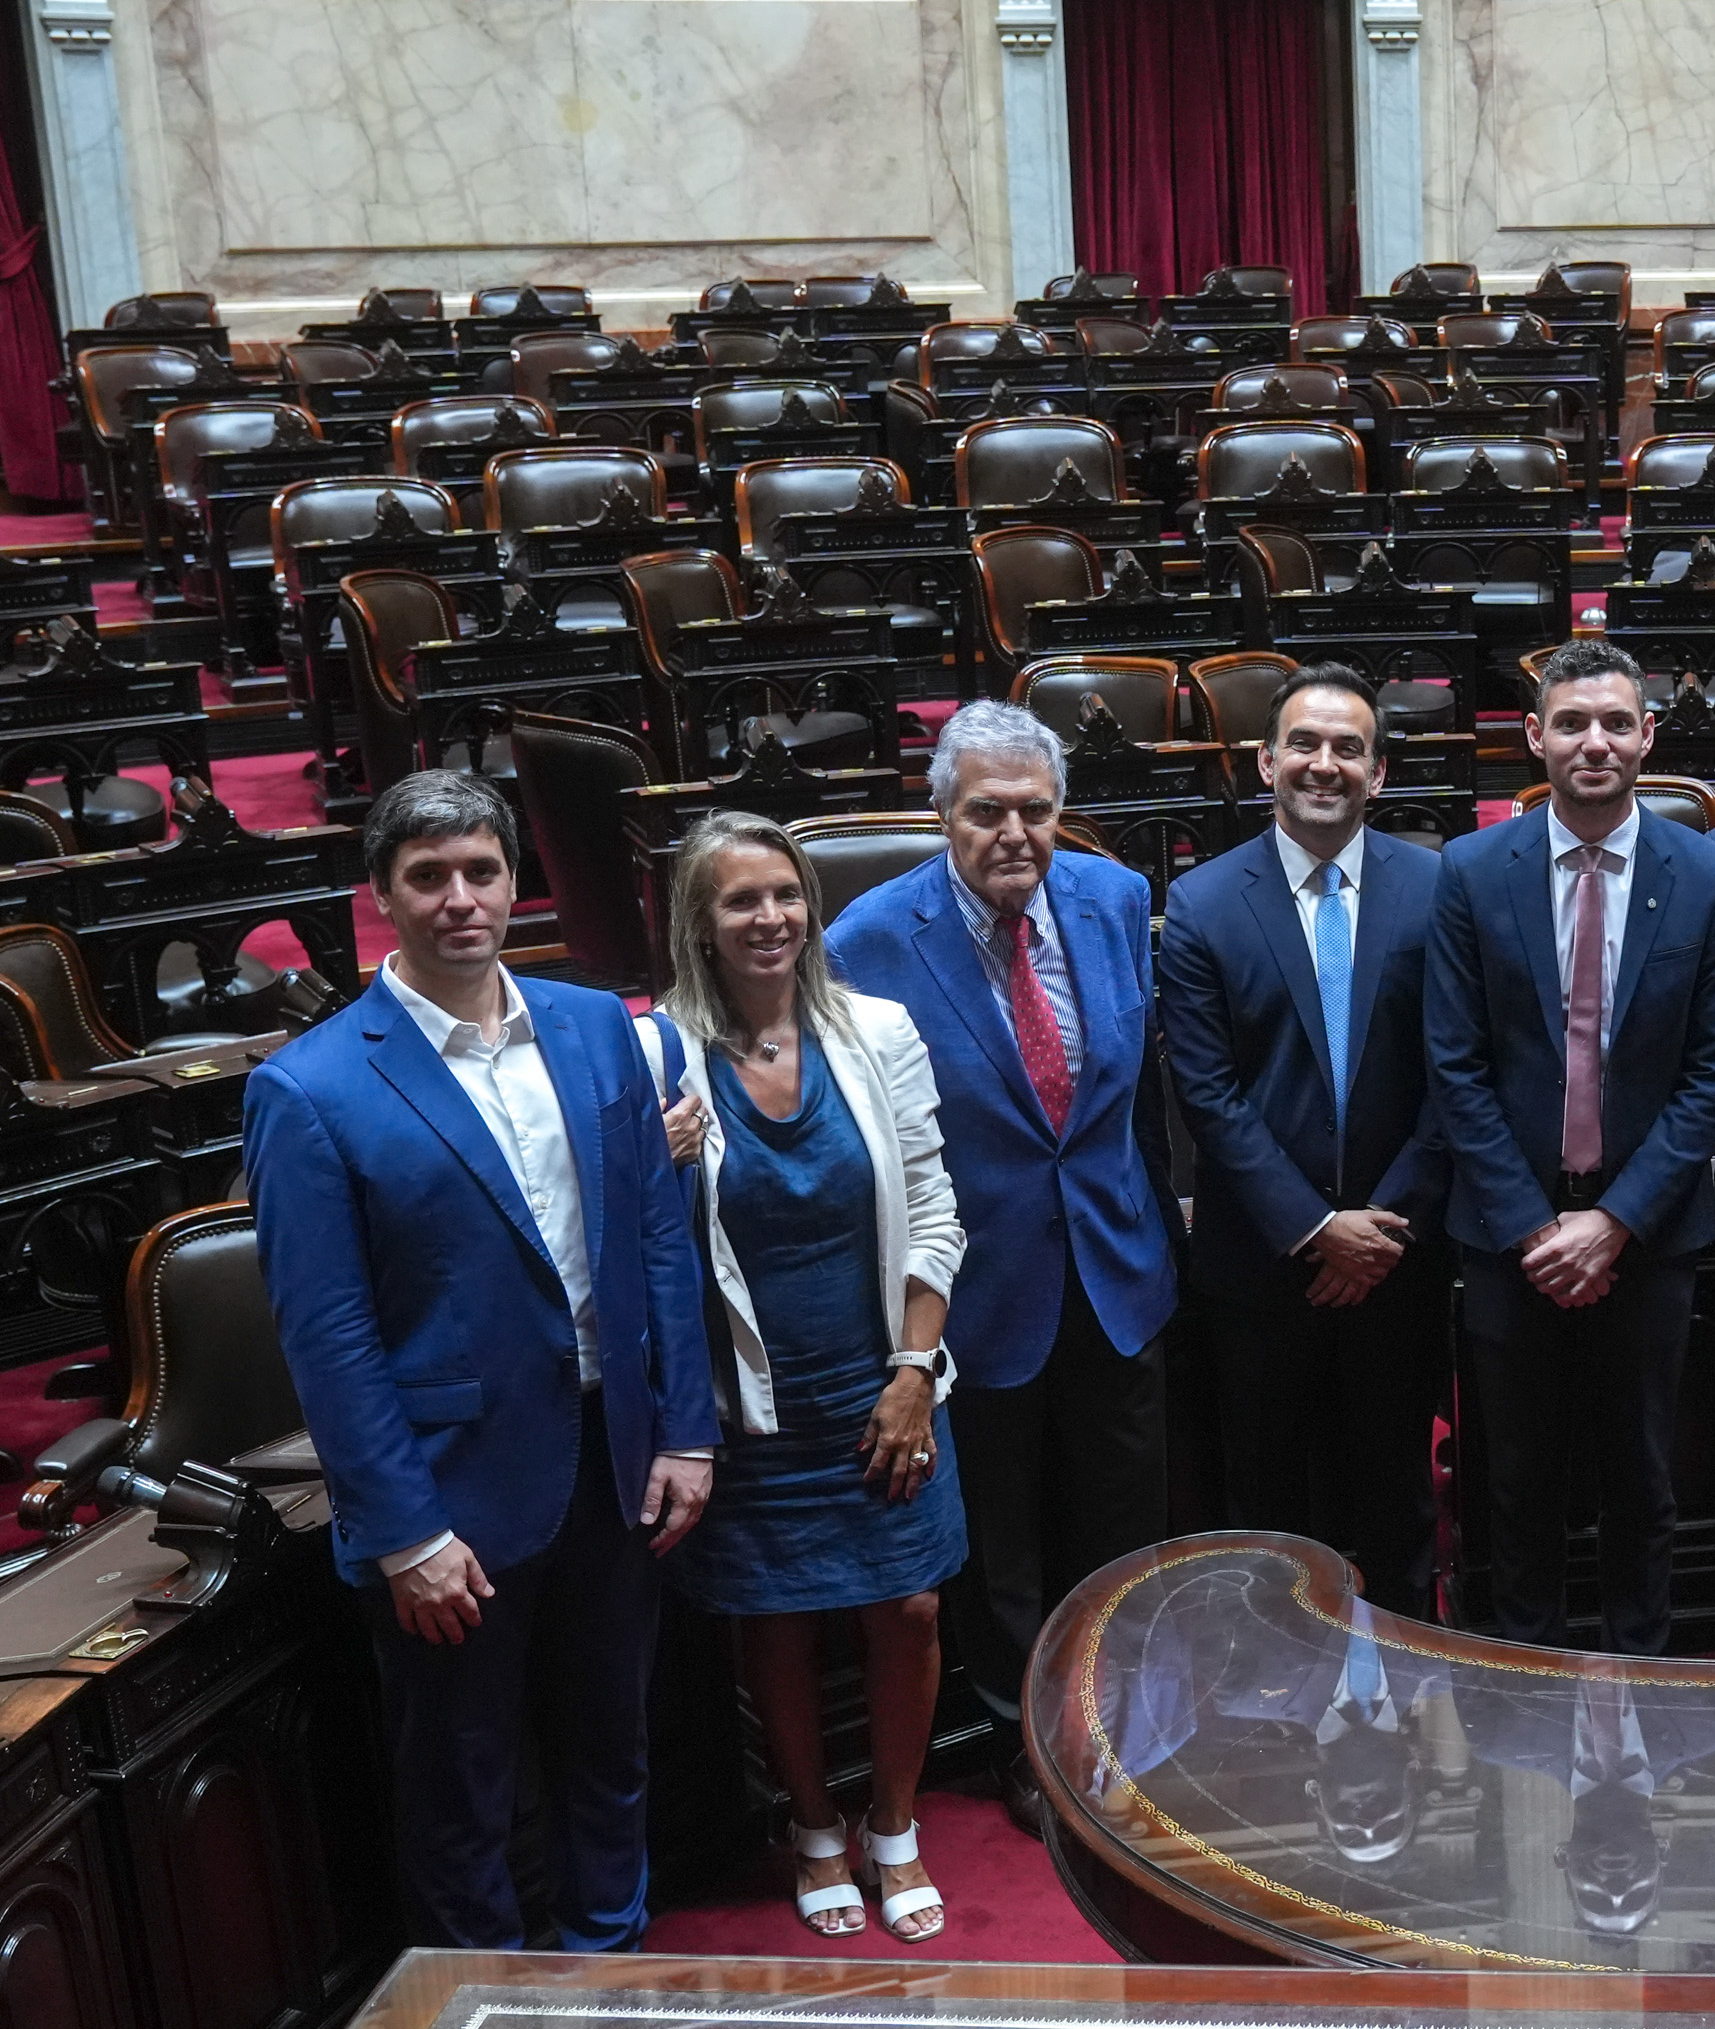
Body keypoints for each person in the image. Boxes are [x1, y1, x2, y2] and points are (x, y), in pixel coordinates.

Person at [243, 770, 714, 1950]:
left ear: (516, 877)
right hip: (451, 1496)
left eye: (483, 870)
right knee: (463, 1790)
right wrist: (403, 1531)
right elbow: (329, 1335)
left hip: (615, 1463)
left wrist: (686, 1427)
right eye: (429, 877)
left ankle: (609, 1972)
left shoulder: (600, 1024)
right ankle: (484, 2023)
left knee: (613, 1749)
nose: (462, 898)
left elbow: (656, 1235)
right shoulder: (309, 1086)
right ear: (383, 896)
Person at [824, 699, 1179, 1823]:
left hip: (1115, 1268)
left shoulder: (1116, 901)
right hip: (975, 1290)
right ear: (942, 813)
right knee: (1004, 1543)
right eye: (987, 812)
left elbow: (1130, 1098)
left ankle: (1117, 1715)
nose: (1014, 833)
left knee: (1118, 1516)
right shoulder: (871, 939)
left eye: (1035, 809)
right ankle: (1032, 1739)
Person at [647, 814, 967, 1943]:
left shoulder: (876, 1030)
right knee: (775, 1618)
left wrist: (914, 1370)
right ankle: (814, 1823)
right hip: (747, 1404)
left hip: (881, 1377)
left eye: (784, 893)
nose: (769, 916)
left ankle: (893, 1820)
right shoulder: (657, 1058)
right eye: (740, 899)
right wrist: (657, 1162)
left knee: (909, 1602)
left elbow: (934, 1208)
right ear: (699, 921)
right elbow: (639, 1245)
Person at [1426, 636, 1715, 1654]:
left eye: (1617, 722)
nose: (1595, 741)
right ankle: (1523, 1680)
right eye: (1571, 722)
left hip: (1644, 1236)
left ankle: (1635, 1679)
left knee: (1641, 1478)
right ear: (1533, 736)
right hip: (1505, 1231)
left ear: (1648, 734)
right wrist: (1535, 1226)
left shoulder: (1707, 875)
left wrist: (1611, 1221)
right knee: (1515, 1482)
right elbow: (1455, 1063)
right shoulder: (1472, 870)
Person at [1158, 662, 1447, 1613]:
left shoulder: (1437, 887)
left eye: (1350, 748)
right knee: (1270, 1516)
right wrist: (1316, 1227)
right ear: (1265, 760)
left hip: (1398, 1262)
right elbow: (1208, 1092)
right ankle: (1272, 1721)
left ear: (1381, 772)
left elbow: (1458, 1074)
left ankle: (1409, 1704)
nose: (1326, 765)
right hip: (1262, 1267)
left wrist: (1381, 1229)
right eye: (1307, 745)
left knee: (1398, 1503)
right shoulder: (1201, 903)